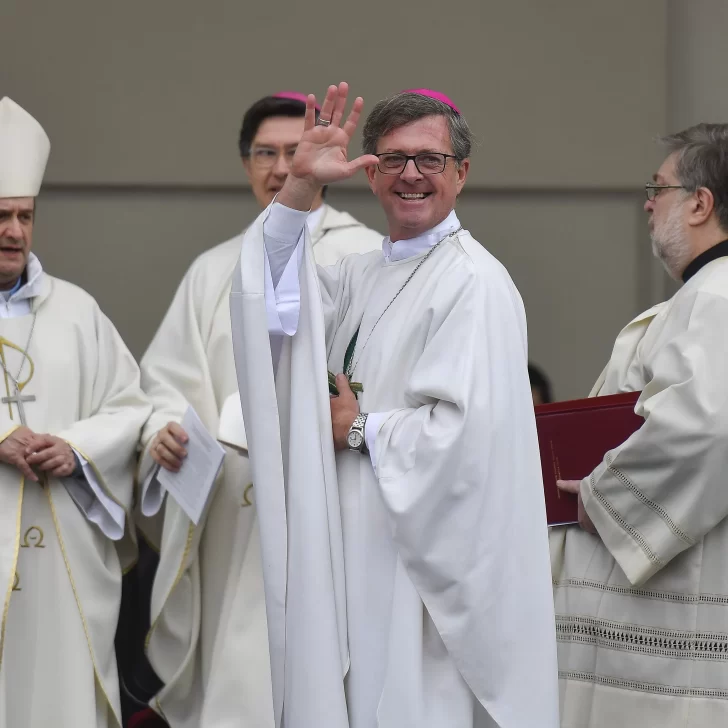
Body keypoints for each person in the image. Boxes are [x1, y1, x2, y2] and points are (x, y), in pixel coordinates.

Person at [231, 83, 559, 728]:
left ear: (461, 174)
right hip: (356, 549)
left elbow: (472, 442)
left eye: (430, 160)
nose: (411, 175)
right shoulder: (360, 272)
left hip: (424, 579)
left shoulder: (475, 282)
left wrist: (358, 426)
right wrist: (297, 190)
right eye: (394, 160)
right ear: (371, 172)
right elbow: (270, 313)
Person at [134, 91, 382, 727]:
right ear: (245, 161)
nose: (279, 166)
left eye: (292, 151)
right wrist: (165, 430)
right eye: (265, 153)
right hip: (232, 512)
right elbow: (167, 376)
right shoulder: (214, 267)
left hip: (320, 508)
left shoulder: (364, 255)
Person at [552, 124, 728, 727]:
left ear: (701, 203)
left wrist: (600, 496)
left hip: (681, 608)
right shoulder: (701, 296)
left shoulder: (719, 297)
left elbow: (709, 428)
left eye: (659, 188)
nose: (648, 204)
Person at [0, 97, 151, 726]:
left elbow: (129, 405)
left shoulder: (78, 312)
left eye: (25, 216)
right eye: (0, 216)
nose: (14, 231)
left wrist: (78, 448)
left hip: (64, 559)